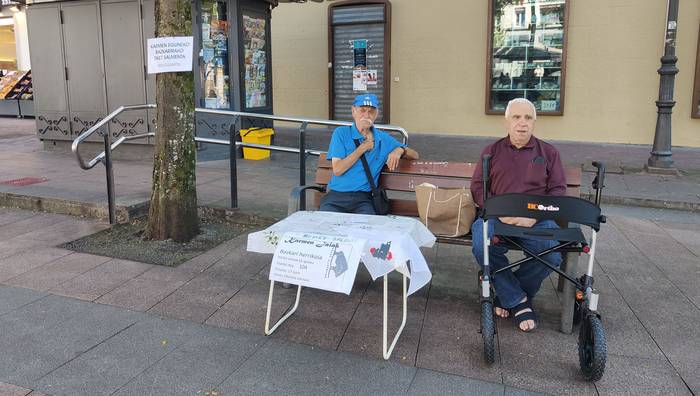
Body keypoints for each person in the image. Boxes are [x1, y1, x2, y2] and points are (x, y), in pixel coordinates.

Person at [470, 98, 566, 332]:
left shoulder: (549, 153)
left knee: (552, 255)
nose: (522, 123)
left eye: (528, 118)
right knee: (482, 245)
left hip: (537, 217)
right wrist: (499, 212)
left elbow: (557, 191)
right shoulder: (491, 152)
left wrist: (534, 216)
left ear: (534, 122)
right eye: (516, 117)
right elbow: (478, 188)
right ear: (507, 122)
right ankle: (520, 301)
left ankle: (508, 296)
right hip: (497, 215)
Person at [320, 93, 419, 214]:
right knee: (326, 226)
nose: (366, 115)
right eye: (362, 110)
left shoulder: (383, 139)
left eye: (371, 111)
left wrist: (400, 150)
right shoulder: (341, 133)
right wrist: (361, 149)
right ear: (353, 111)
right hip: (336, 197)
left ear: (376, 114)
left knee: (367, 228)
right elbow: (338, 169)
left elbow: (415, 155)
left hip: (363, 199)